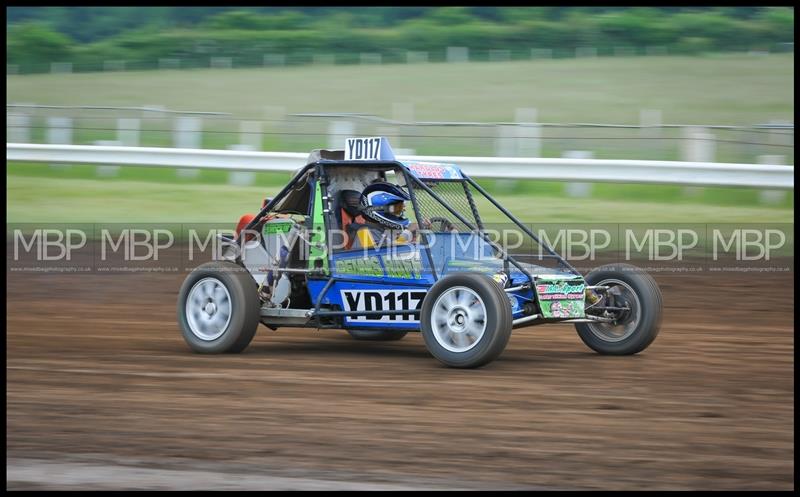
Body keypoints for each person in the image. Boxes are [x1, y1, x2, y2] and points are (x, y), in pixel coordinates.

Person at [350, 182, 426, 249]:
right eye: (397, 208)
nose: (403, 210)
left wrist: (418, 233)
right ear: (378, 210)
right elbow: (382, 256)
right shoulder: (364, 233)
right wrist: (407, 233)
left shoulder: (386, 229)